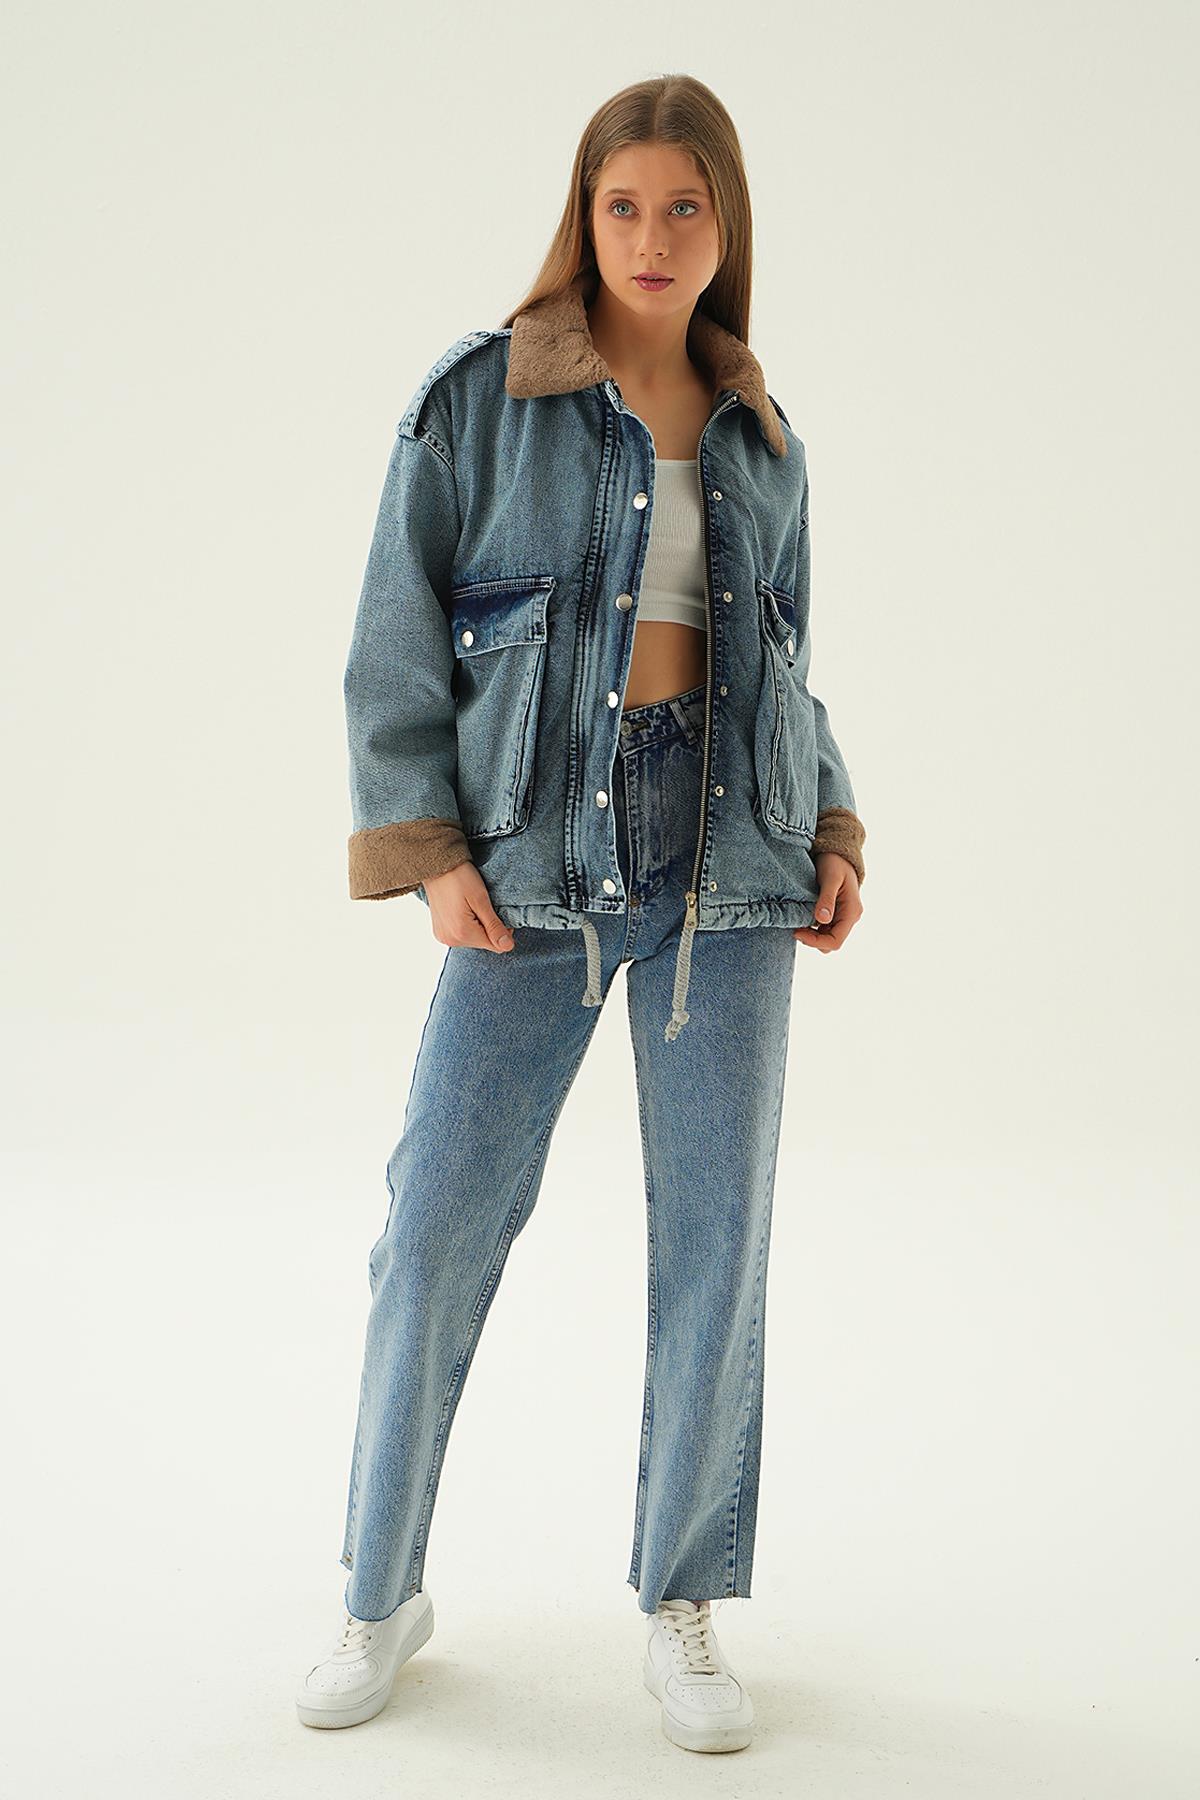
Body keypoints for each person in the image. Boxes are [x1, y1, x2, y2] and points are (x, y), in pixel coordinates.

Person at [296, 72, 866, 1754]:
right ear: (585, 214)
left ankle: (684, 1601)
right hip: (533, 867)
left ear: (726, 224)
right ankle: (377, 1589)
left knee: (718, 1243)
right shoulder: (483, 399)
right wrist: (427, 845)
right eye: (625, 205)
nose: (653, 236)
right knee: (435, 1228)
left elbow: (786, 666)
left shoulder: (761, 435)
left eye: (686, 206)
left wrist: (831, 822)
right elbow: (395, 634)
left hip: (730, 872)